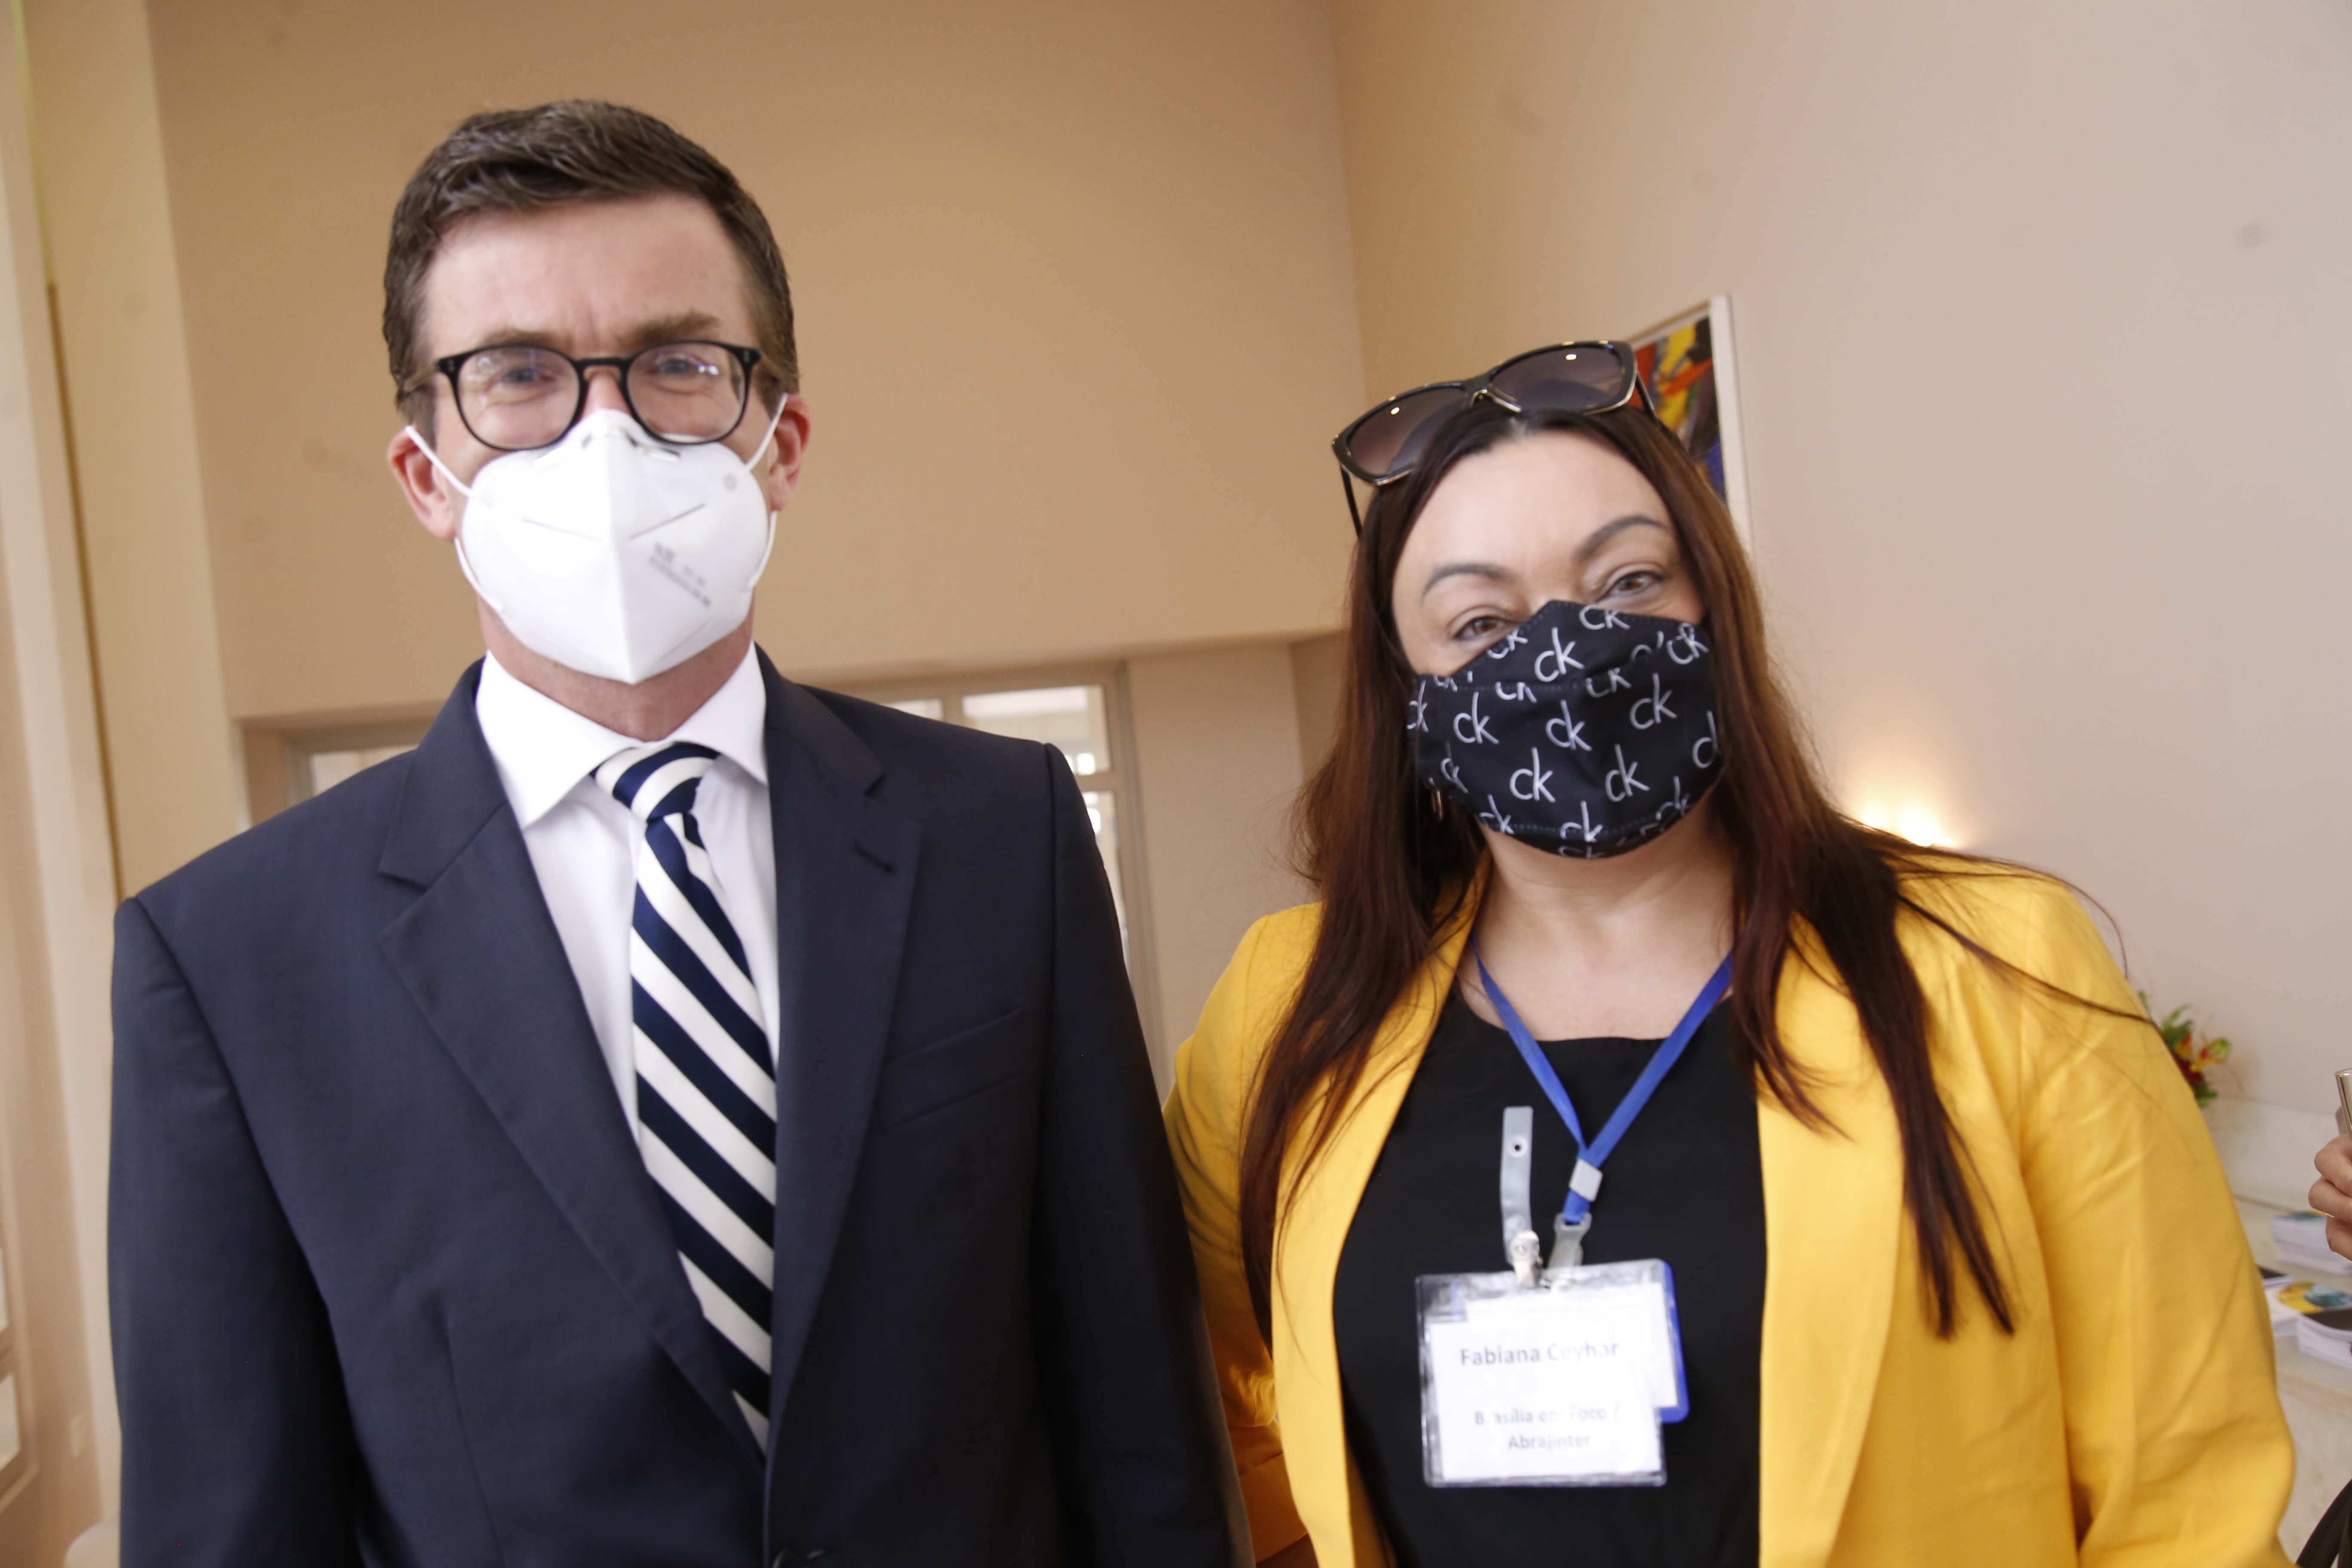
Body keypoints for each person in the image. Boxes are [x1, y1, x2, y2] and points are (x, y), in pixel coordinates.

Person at [109, 101, 1242, 1568]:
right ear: (425, 477)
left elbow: (1136, 1409)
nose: (607, 433)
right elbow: (227, 1521)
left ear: (781, 444)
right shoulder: (231, 957)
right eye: (519, 373)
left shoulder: (1001, 836)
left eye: (677, 363)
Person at [1161, 342, 2293, 1567]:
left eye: (1630, 580)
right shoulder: (1287, 1005)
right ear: (1405, 691)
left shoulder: (2001, 961)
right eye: (1480, 621)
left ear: (1717, 608)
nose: (1568, 650)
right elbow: (1205, 1402)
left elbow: (2188, 1494)